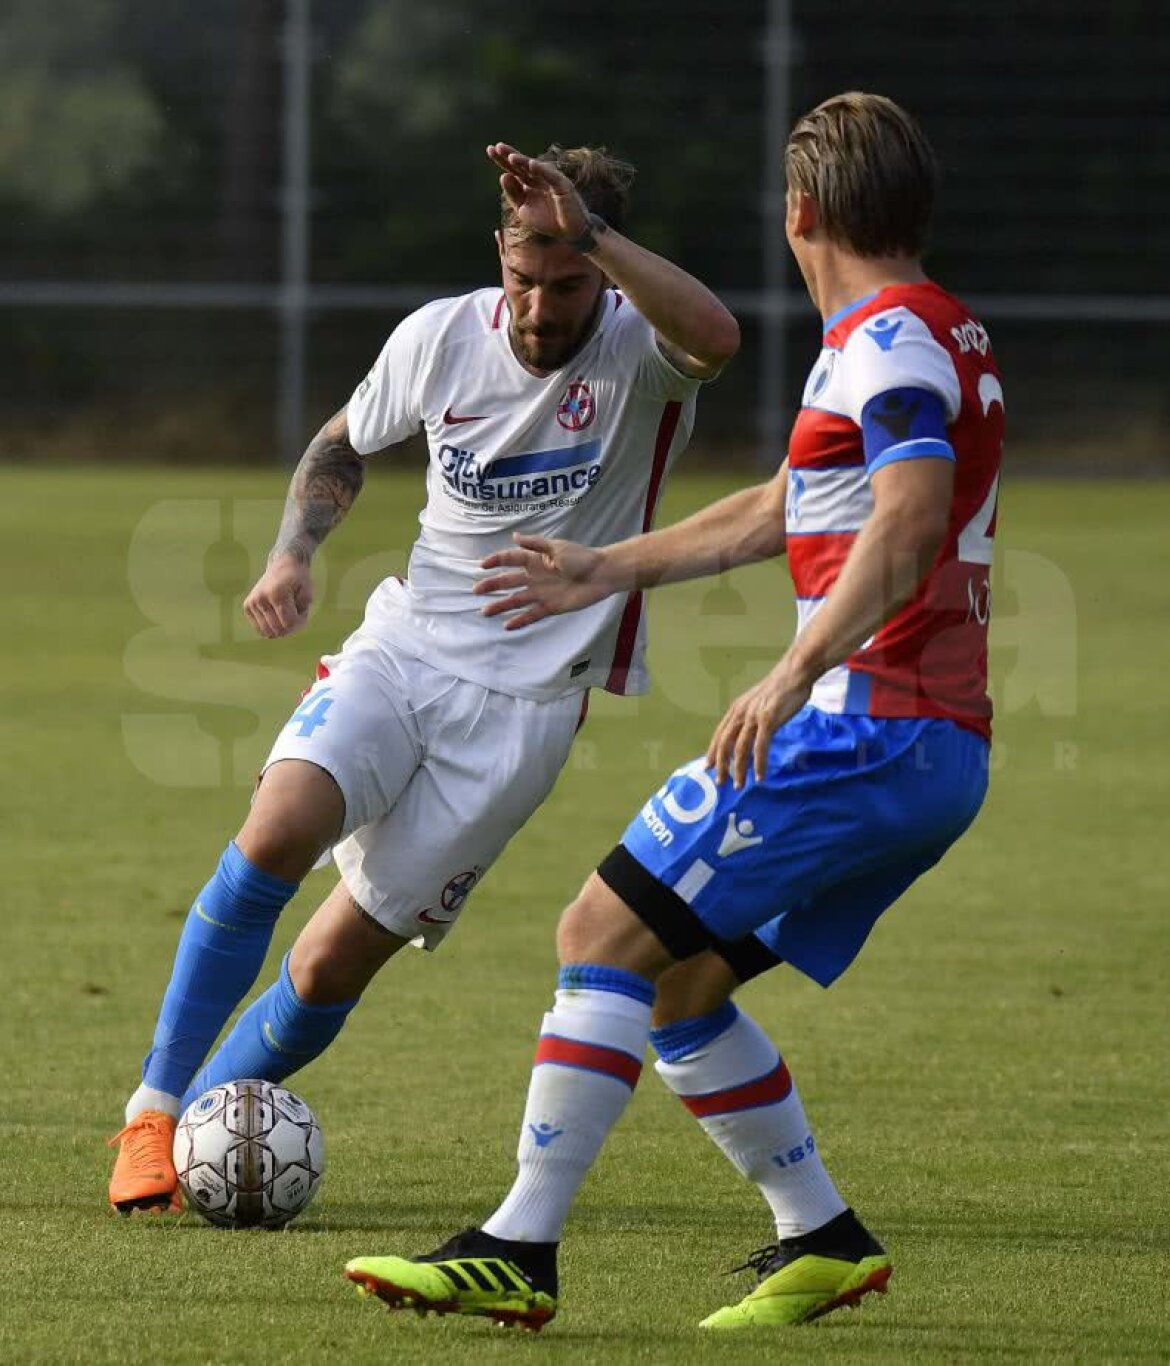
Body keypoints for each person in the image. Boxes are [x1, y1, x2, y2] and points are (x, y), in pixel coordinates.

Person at [343, 91, 1004, 1332]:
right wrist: (605, 567)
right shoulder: (936, 329)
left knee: (599, 929)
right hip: (934, 749)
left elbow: (908, 520)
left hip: (868, 725)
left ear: (800, 210)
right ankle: (821, 1235)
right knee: (681, 981)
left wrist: (791, 670)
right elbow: (788, 503)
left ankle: (517, 1246)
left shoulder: (886, 343)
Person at [107, 141, 740, 1213]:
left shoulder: (642, 353)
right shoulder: (441, 337)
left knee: (334, 959)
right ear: (499, 253)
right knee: (275, 830)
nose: (540, 305)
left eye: (570, 277)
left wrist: (596, 237)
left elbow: (718, 336)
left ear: (606, 265)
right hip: (404, 651)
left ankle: (208, 1128)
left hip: (525, 713)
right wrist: (292, 552)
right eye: (523, 275)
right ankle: (156, 1112)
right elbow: (340, 445)